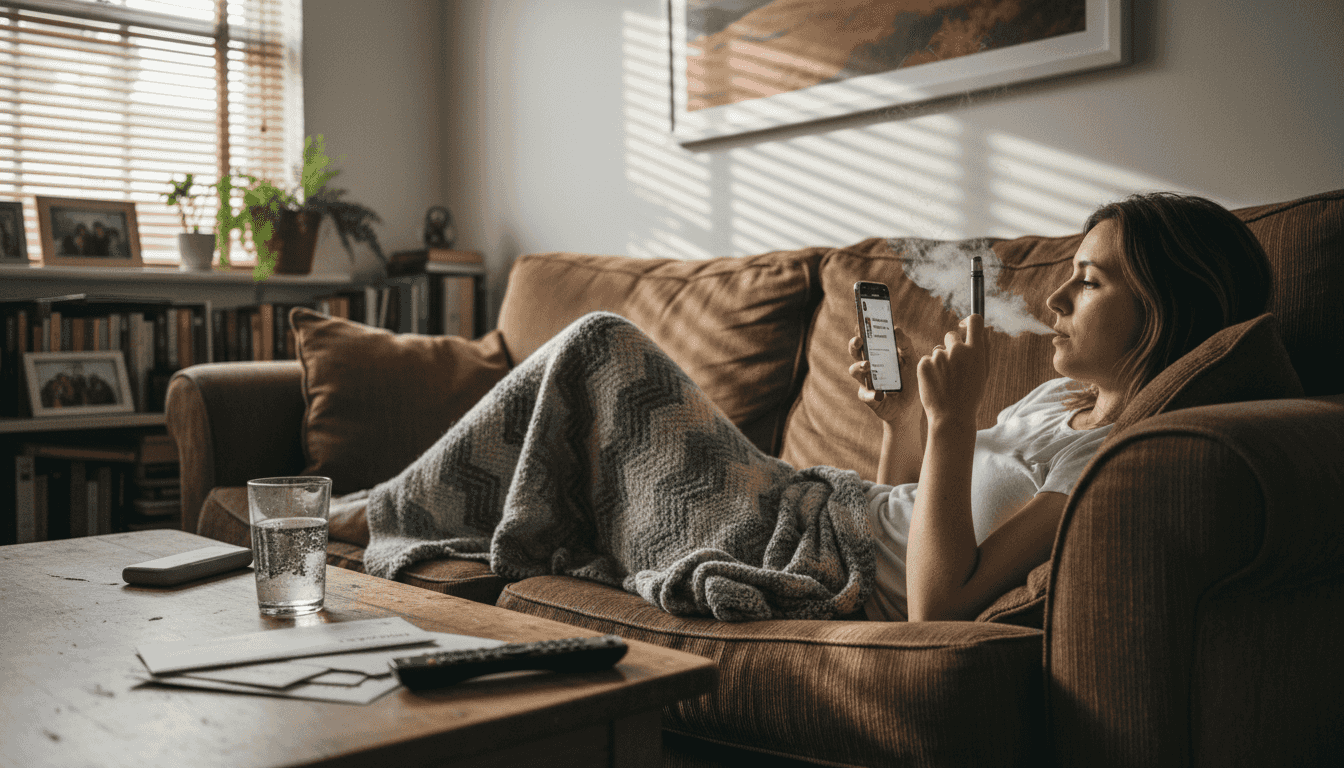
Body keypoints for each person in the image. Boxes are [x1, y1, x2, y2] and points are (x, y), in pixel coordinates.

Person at [362, 192, 1273, 622]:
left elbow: (932, 598)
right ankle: (392, 506)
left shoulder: (1104, 465)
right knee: (599, 356)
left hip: (800, 543)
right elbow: (907, 509)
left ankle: (380, 509)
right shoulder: (1053, 402)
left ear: (1165, 304)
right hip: (818, 502)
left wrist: (953, 426)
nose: (1060, 299)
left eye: (1091, 281)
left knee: (603, 345)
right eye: (1066, 277)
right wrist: (903, 427)